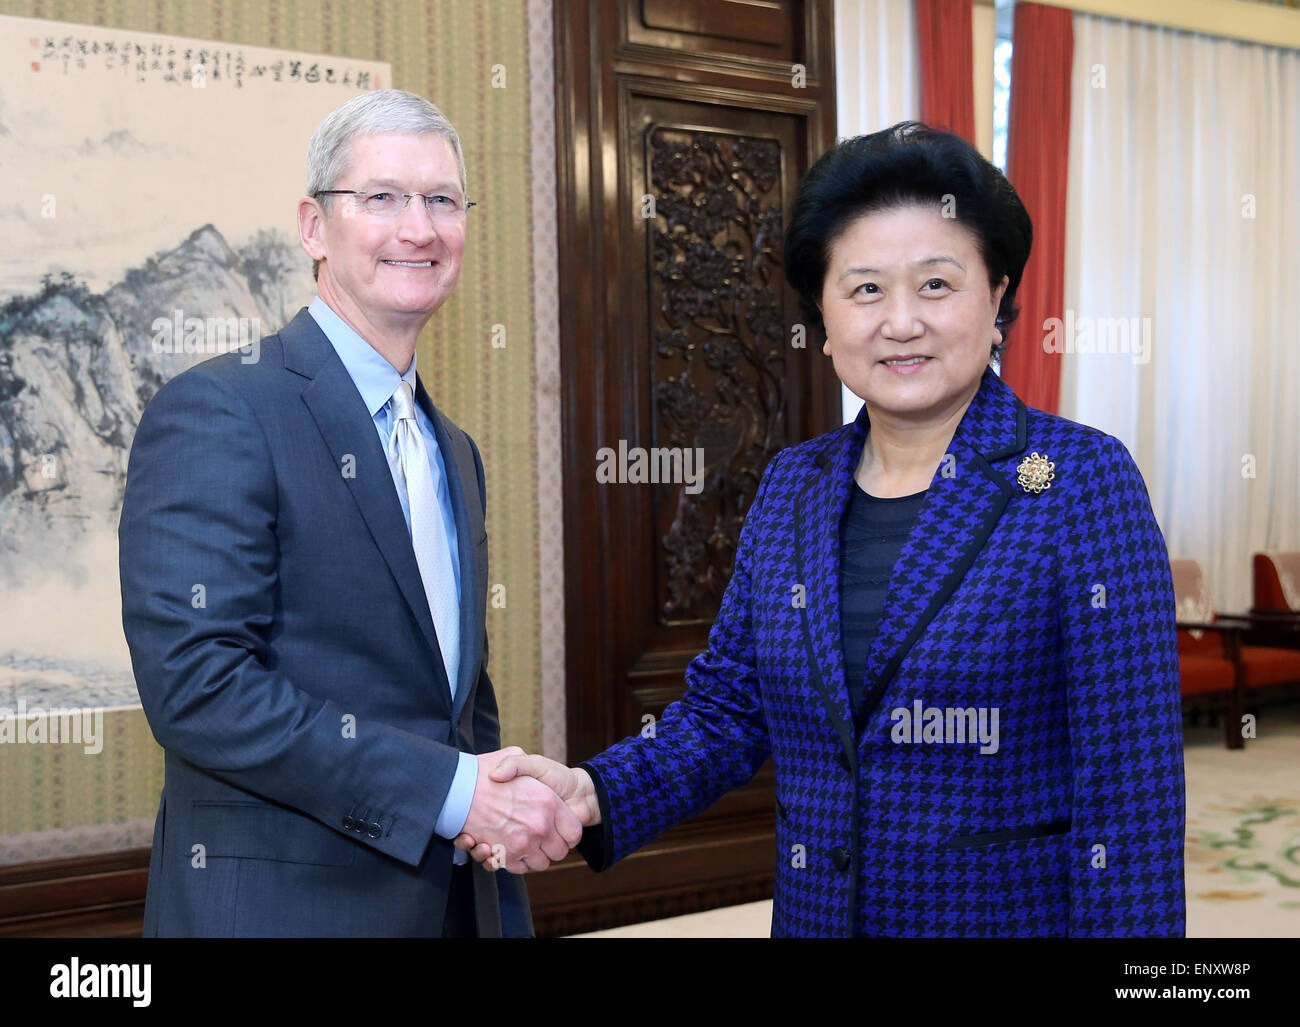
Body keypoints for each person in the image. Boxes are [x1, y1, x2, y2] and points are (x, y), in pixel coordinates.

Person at [458, 122, 1187, 938]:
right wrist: (592, 793)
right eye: (866, 289)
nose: (901, 321)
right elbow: (728, 711)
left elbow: (1132, 785)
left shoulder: (1080, 481)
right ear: (825, 316)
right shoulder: (794, 486)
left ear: (997, 297)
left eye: (937, 285)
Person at [118, 89, 581, 937]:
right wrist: (452, 794)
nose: (419, 227)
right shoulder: (220, 409)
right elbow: (199, 687)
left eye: (442, 200)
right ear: (313, 226)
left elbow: (454, 707)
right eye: (382, 198)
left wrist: (496, 803)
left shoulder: (456, 449)